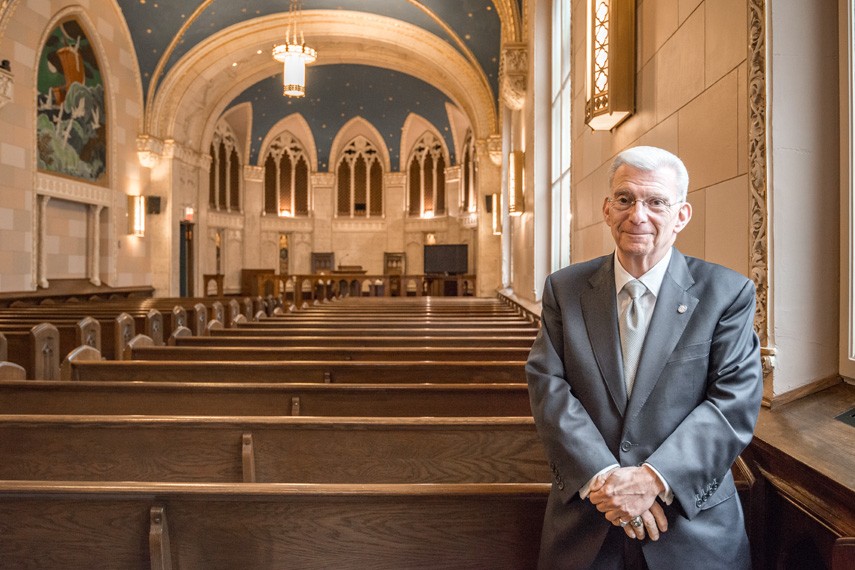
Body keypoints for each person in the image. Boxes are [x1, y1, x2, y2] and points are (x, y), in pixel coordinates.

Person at [526, 146, 762, 569]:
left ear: (682, 215)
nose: (638, 215)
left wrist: (652, 480)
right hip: (587, 522)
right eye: (625, 199)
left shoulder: (727, 294)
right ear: (606, 208)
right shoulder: (565, 290)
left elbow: (732, 403)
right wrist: (606, 481)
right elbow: (549, 388)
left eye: (656, 202)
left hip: (691, 527)